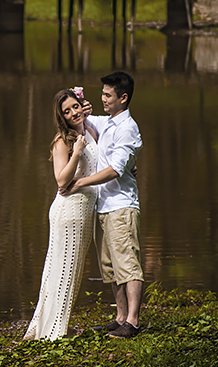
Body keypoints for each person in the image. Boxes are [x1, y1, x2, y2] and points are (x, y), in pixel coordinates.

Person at [62, 70, 143, 339]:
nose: (103, 99)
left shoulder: (127, 129)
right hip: (103, 205)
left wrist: (80, 183)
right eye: (102, 94)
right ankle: (120, 317)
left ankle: (132, 321)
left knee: (127, 264)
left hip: (121, 205)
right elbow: (83, 123)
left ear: (124, 97)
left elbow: (114, 170)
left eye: (108, 95)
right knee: (109, 266)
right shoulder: (106, 122)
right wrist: (79, 106)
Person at [23, 87, 102, 340]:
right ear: (62, 117)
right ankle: (54, 332)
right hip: (69, 211)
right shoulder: (62, 141)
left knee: (72, 269)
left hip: (84, 209)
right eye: (66, 112)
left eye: (75, 107)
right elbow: (61, 181)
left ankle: (53, 326)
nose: (73, 113)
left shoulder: (89, 131)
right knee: (62, 270)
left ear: (81, 105)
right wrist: (76, 153)